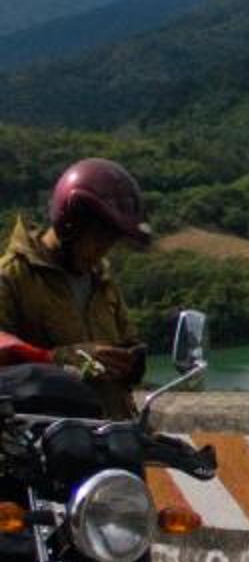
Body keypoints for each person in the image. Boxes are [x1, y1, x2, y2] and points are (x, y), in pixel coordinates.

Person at [0, 158, 153, 419]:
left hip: (112, 432)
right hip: (49, 435)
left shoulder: (101, 280)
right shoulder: (12, 277)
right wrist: (66, 359)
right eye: (99, 237)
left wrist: (130, 362)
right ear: (70, 223)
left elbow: (128, 338)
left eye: (112, 241)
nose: (105, 250)